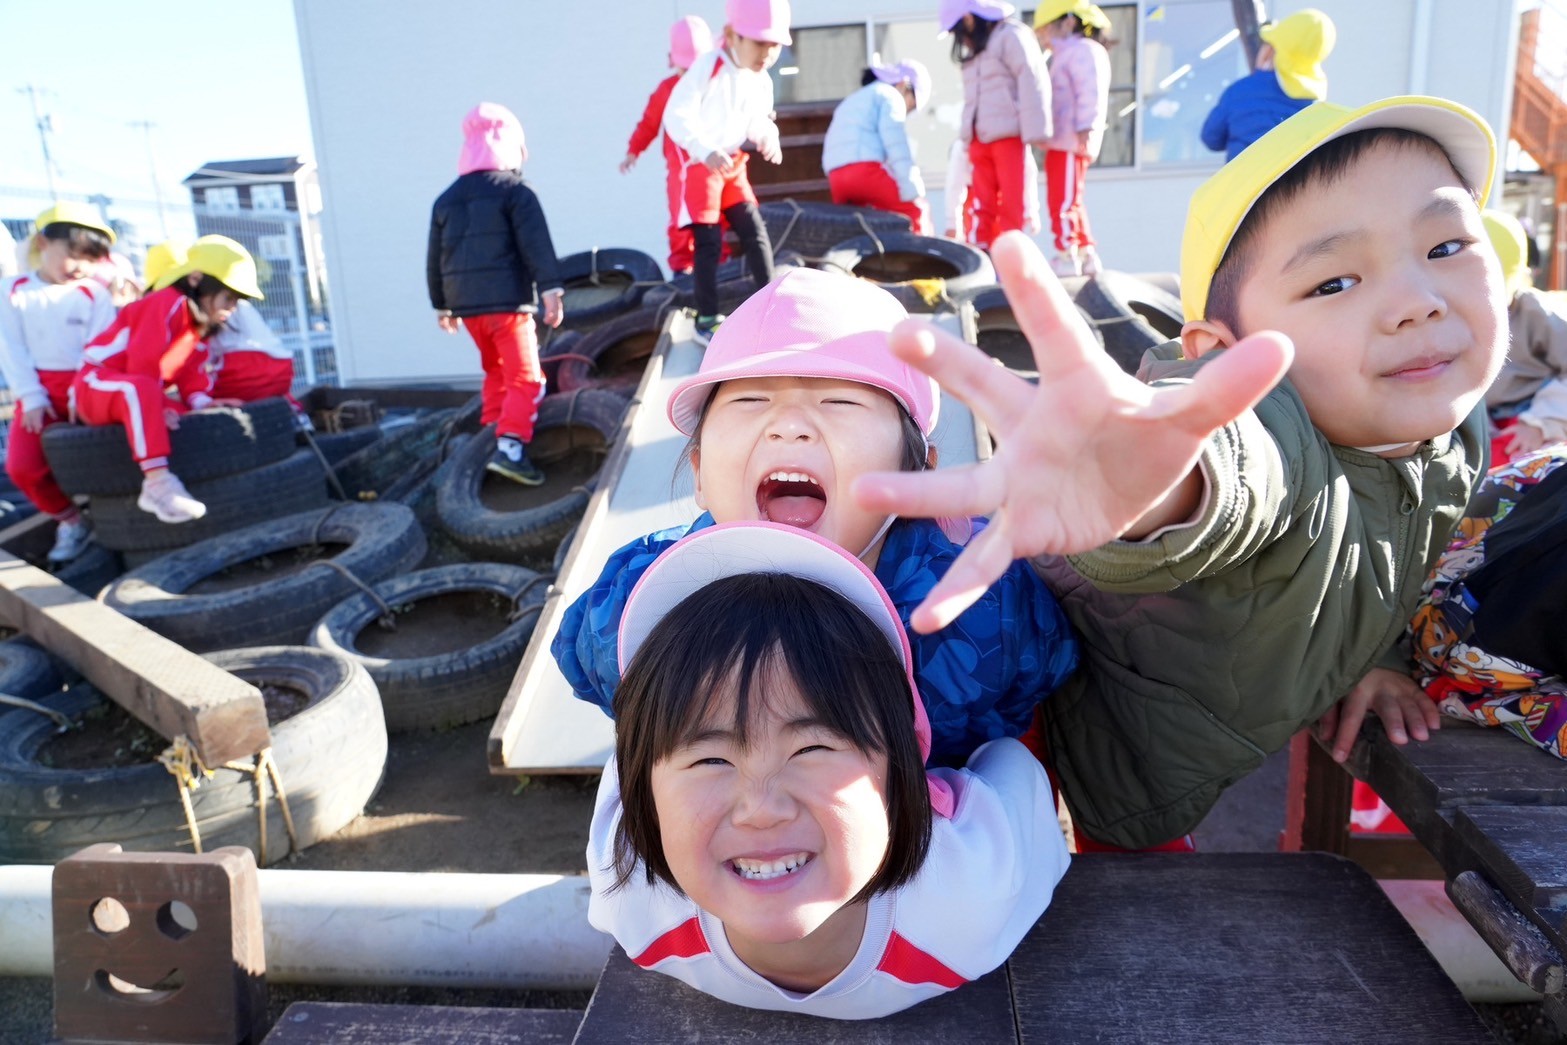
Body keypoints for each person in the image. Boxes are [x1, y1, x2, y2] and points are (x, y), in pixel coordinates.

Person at [852, 95, 1503, 851]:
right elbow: (1231, 468)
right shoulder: (1271, 433)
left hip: (1170, 761)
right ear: (1216, 352)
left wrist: (1373, 654)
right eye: (1333, 282)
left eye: (1445, 246)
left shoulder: (1454, 426)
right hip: (1050, 759)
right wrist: (1143, 475)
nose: (1416, 303)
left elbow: (1394, 539)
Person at [552, 267, 1078, 766]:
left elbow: (1035, 676)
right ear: (700, 474)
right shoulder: (640, 600)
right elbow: (593, 661)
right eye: (751, 399)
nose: (789, 425)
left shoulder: (979, 592)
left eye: (838, 401)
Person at [587, 520, 1069, 1018]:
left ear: (900, 769)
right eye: (712, 758)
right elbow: (1013, 763)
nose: (762, 810)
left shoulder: (973, 889)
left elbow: (1016, 769)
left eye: (811, 749)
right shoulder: (972, 902)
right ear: (646, 796)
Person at [74, 235, 266, 524]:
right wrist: (158, 403)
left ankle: (197, 484)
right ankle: (157, 483)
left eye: (237, 300)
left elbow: (193, 372)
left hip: (140, 392)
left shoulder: (200, 327)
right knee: (139, 389)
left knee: (184, 417)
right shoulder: (166, 303)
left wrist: (202, 402)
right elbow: (142, 363)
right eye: (228, 297)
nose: (232, 307)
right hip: (97, 385)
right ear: (197, 280)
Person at [428, 102, 565, 486]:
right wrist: (551, 290)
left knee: (496, 371)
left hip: (467, 308)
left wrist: (442, 304)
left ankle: (489, 437)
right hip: (508, 306)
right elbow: (536, 245)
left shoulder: (446, 199)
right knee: (527, 379)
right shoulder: (516, 193)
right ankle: (511, 448)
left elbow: (434, 256)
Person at [662, 0, 789, 346]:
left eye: (775, 44)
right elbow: (676, 115)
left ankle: (770, 306)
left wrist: (768, 136)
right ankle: (706, 318)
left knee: (754, 229)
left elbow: (759, 119)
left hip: (732, 165)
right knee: (709, 242)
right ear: (733, 35)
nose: (767, 52)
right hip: (703, 165)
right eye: (759, 42)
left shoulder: (760, 78)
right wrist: (704, 149)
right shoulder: (709, 66)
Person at [0, 203, 116, 562]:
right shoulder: (13, 290)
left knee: (110, 452)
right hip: (38, 392)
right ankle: (70, 520)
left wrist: (83, 391)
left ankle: (128, 514)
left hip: (88, 386)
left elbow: (100, 347)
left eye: (90, 258)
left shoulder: (93, 294)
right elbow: (11, 348)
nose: (81, 266)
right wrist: (32, 398)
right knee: (22, 465)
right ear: (43, 243)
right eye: (73, 254)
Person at [940, 0, 1050, 251]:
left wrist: (1036, 130)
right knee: (981, 203)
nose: (961, 40)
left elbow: (1032, 79)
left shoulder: (1011, 36)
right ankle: (982, 257)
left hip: (1007, 136)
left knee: (1012, 203)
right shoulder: (978, 49)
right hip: (979, 138)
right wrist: (967, 136)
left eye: (958, 30)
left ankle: (1011, 259)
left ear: (969, 19)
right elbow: (971, 100)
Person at [621, 16, 726, 276]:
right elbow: (649, 123)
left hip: (707, 165)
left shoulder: (713, 85)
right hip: (685, 170)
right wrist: (634, 150)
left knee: (711, 215)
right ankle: (687, 266)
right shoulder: (669, 90)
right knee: (687, 218)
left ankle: (715, 262)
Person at [144, 238, 297, 408]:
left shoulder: (199, 315)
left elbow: (189, 368)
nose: (232, 308)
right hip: (281, 372)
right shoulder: (174, 308)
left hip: (244, 373)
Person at [1479, 208, 1567, 465]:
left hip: (1534, 412)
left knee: (1536, 471)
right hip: (1486, 419)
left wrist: (1540, 424)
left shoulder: (1531, 310)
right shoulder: (1449, 317)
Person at [1033, 1, 1111, 277]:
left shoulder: (1083, 51)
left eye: (1045, 31)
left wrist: (1085, 126)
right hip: (1068, 139)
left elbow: (1091, 93)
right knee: (1073, 200)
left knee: (1062, 201)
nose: (1043, 39)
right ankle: (1085, 253)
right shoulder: (1072, 53)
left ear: (1067, 22)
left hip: (1070, 139)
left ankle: (1066, 254)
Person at [1201, 8, 1336, 161]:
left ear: (1270, 50)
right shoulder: (1315, 104)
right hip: (1290, 183)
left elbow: (1210, 138)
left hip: (1243, 182)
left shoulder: (1239, 92)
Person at [821, 59, 933, 234]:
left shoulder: (852, 99)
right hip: (865, 172)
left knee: (858, 228)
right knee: (915, 211)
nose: (908, 110)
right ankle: (928, 260)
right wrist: (913, 190)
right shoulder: (889, 95)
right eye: (912, 104)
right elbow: (896, 146)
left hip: (836, 177)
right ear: (904, 85)